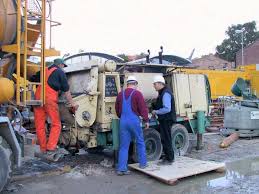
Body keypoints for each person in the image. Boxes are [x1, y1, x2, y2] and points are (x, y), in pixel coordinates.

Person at [31, 58, 78, 155]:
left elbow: (32, 79)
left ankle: (43, 149)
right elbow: (67, 92)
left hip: (38, 99)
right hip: (49, 99)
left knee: (40, 125)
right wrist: (73, 104)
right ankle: (51, 147)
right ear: (60, 65)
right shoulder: (60, 72)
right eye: (63, 66)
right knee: (56, 124)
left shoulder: (42, 71)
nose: (63, 68)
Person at [115, 75, 149, 175]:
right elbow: (143, 108)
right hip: (134, 120)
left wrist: (122, 116)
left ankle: (122, 169)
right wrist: (146, 120)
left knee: (124, 146)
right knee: (139, 141)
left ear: (127, 84)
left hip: (123, 121)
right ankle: (143, 164)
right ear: (135, 84)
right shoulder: (137, 94)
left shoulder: (120, 94)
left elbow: (117, 109)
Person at [152, 75, 176, 165]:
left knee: (166, 139)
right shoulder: (163, 92)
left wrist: (156, 112)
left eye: (155, 84)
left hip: (167, 119)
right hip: (165, 119)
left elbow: (167, 109)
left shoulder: (165, 93)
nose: (154, 86)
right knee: (165, 138)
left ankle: (170, 159)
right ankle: (168, 156)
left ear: (160, 83)